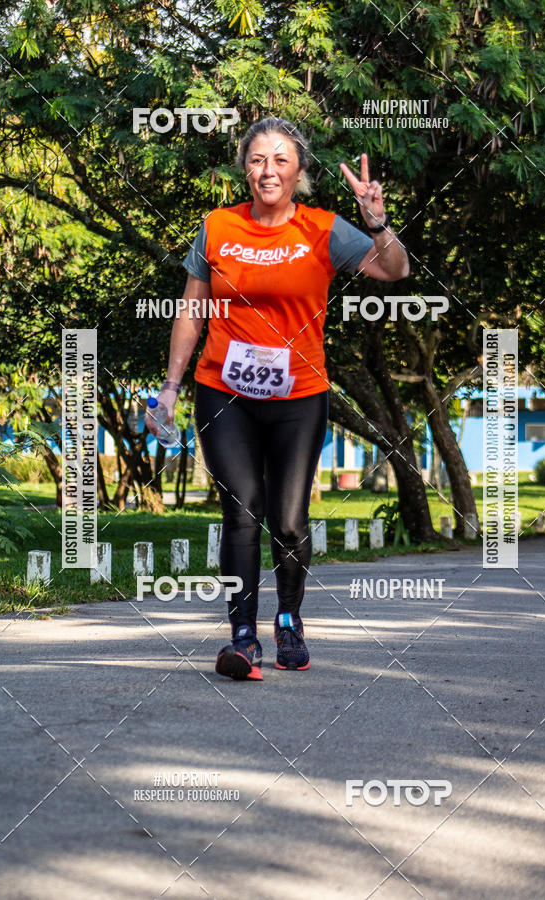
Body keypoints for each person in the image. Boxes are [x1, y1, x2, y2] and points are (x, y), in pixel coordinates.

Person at [146, 116, 409, 681]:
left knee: (289, 521)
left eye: (281, 160)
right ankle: (242, 638)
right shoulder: (217, 228)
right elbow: (192, 311)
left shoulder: (323, 230)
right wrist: (170, 388)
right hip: (224, 390)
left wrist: (377, 221)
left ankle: (289, 619)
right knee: (241, 507)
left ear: (298, 172)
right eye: (258, 159)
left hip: (299, 396)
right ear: (245, 167)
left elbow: (394, 269)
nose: (268, 170)